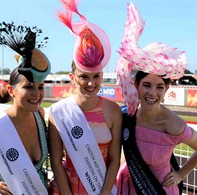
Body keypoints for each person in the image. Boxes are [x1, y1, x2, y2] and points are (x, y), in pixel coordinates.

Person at [115, 2, 197, 195]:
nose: (152, 93)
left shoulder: (173, 124)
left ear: (167, 88)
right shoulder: (127, 115)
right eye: (146, 85)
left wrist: (180, 175)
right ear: (136, 85)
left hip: (157, 190)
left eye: (159, 87)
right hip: (126, 187)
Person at [48, 1, 122, 194]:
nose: (91, 83)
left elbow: (115, 158)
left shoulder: (113, 111)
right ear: (73, 78)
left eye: (96, 76)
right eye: (84, 77)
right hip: (66, 190)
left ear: (102, 76)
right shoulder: (58, 112)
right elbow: (56, 161)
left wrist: (104, 193)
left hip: (101, 189)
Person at [0, 22, 51, 194]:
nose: (37, 93)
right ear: (11, 90)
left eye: (40, 87)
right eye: (29, 87)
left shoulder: (40, 115)